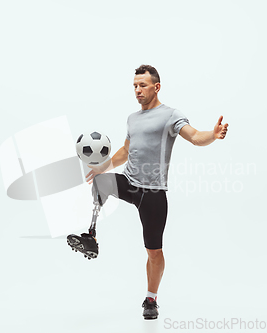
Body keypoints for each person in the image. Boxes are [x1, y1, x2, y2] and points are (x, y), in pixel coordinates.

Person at [67, 64, 229, 320]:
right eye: (134, 86)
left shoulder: (170, 115)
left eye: (142, 85)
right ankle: (91, 236)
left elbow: (196, 136)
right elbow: (125, 151)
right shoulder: (132, 118)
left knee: (153, 251)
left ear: (156, 86)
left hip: (153, 193)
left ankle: (151, 299)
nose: (137, 90)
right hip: (129, 183)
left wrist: (214, 134)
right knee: (100, 183)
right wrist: (102, 168)